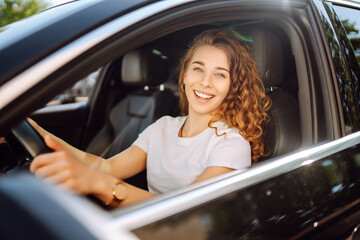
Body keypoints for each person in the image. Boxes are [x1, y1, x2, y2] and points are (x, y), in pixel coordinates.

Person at [29, 29, 271, 208]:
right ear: (184, 76)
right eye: (198, 68)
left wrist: (101, 185)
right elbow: (107, 166)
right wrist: (41, 135)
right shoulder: (163, 127)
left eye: (220, 75)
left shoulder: (231, 144)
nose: (205, 82)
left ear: (232, 86)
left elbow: (185, 211)